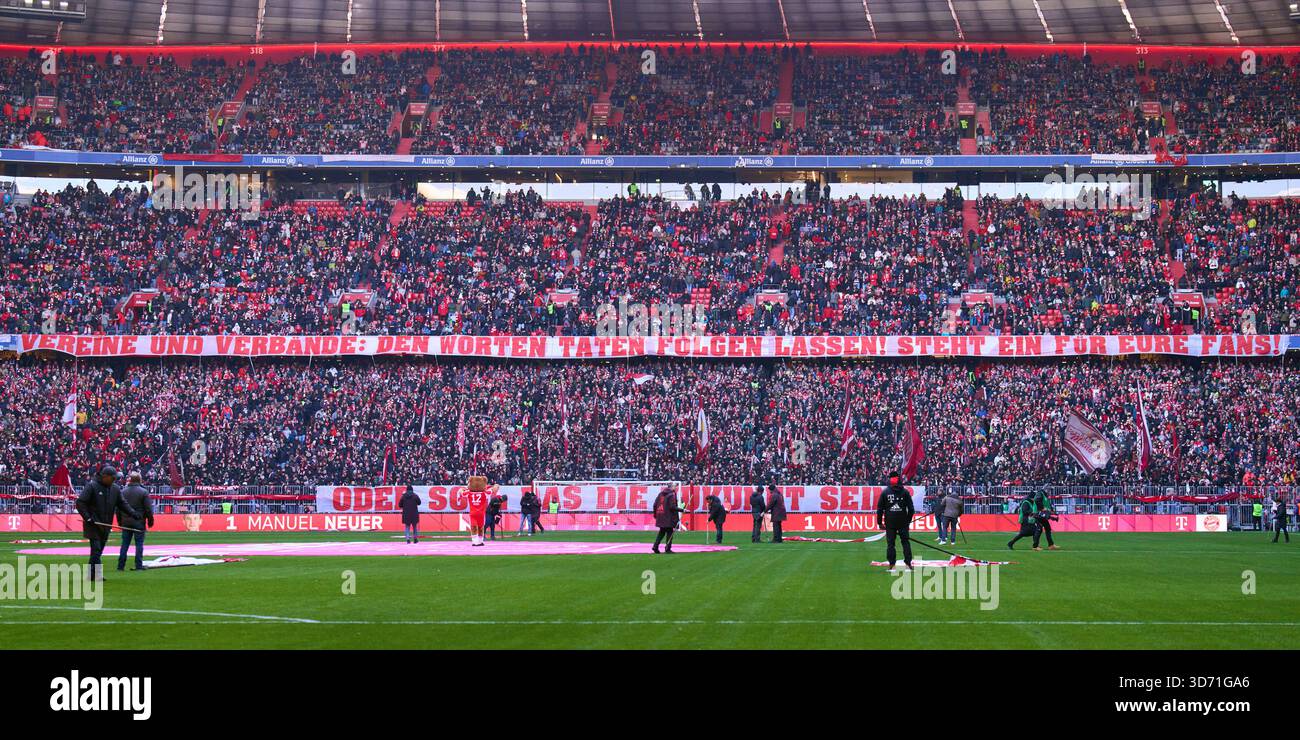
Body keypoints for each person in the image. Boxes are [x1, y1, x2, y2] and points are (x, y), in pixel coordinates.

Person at [75, 466, 140, 581]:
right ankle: (96, 575)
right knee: (96, 549)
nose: (114, 480)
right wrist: (88, 518)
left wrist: (133, 514)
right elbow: (80, 503)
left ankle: (91, 575)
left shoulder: (115, 489)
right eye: (113, 478)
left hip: (106, 525)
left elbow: (122, 504)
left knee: (98, 551)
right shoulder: (92, 486)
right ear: (105, 476)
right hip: (93, 524)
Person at [116, 470, 154, 571]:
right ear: (139, 480)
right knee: (139, 544)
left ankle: (120, 566)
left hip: (126, 522)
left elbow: (118, 508)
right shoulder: (143, 492)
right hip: (139, 522)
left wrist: (120, 521)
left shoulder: (123, 491)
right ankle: (138, 565)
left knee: (125, 544)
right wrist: (150, 521)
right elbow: (148, 509)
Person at [876, 471, 914, 570]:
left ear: (890, 479)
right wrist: (908, 521)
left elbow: (880, 508)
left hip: (890, 522)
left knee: (891, 544)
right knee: (905, 542)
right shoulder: (905, 492)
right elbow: (911, 509)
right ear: (899, 479)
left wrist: (879, 522)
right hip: (903, 521)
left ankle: (892, 565)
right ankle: (908, 564)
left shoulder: (885, 492)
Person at [652, 484, 683, 554]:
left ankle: (655, 546)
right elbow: (672, 507)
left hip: (660, 515)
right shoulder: (671, 495)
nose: (676, 487)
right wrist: (682, 510)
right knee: (670, 532)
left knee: (661, 532)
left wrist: (655, 514)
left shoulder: (660, 494)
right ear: (671, 487)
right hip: (669, 517)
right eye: (674, 486)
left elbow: (655, 504)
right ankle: (668, 549)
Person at [466, 476, 495, 546]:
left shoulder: (469, 493)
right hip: (481, 513)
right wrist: (493, 486)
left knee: (473, 527)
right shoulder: (484, 493)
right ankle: (480, 541)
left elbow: (462, 492)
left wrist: (463, 489)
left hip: (473, 513)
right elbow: (493, 490)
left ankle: (474, 541)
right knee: (480, 527)